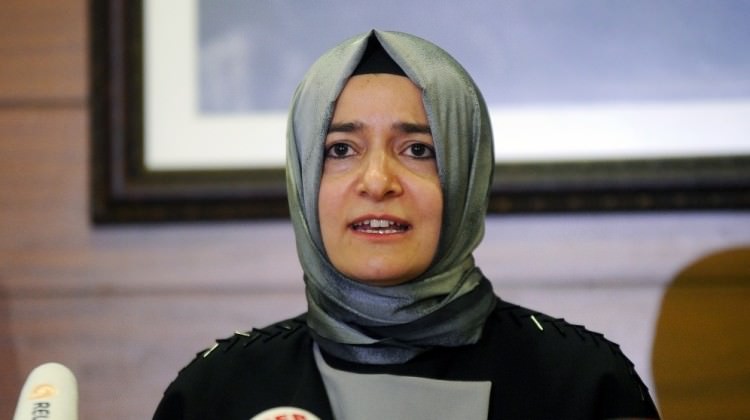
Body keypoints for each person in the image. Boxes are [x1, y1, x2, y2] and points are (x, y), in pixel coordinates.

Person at [153, 30, 660, 419]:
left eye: (418, 150)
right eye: (340, 150)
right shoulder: (220, 390)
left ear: (465, 176)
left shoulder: (580, 383)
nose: (377, 182)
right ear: (304, 180)